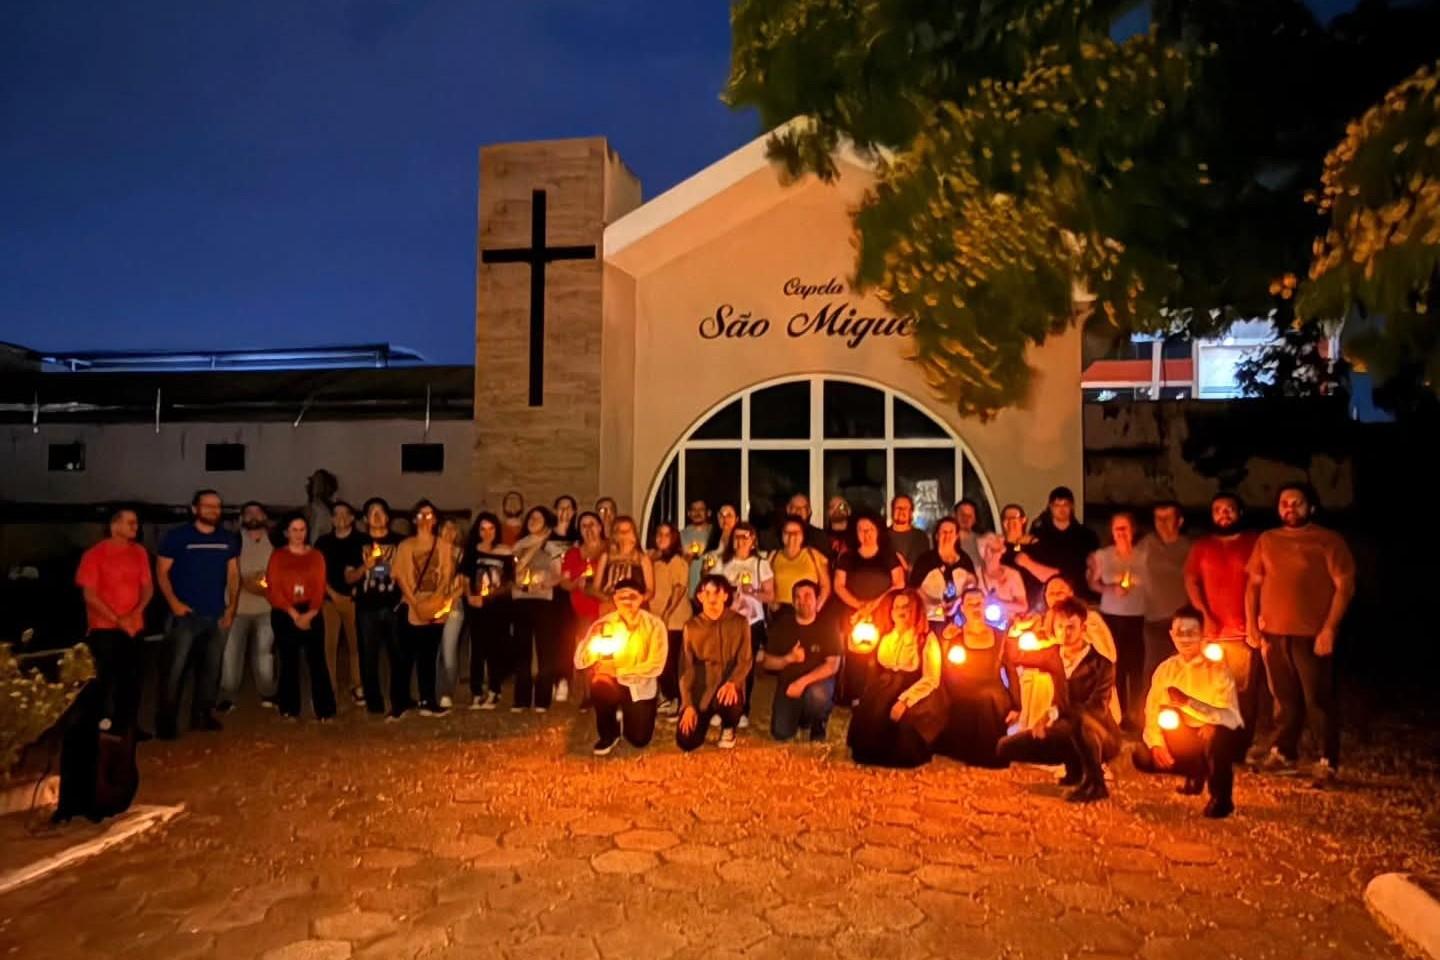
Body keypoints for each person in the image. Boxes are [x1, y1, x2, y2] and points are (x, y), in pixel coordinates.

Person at [1246, 484, 1355, 786]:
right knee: (1283, 699)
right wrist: (1252, 626)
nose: (1290, 509)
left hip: (1311, 635)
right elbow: (1253, 585)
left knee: (1317, 700)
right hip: (1274, 633)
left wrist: (1329, 628)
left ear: (1311, 507)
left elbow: (1344, 586)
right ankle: (1283, 752)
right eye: (1284, 503)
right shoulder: (1268, 540)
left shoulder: (1327, 540)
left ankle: (1327, 761)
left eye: (1297, 503)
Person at [997, 597, 1121, 802]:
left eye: (1071, 626)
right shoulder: (1052, 654)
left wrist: (1050, 714)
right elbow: (1015, 657)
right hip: (1064, 730)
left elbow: (1096, 708)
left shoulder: (1103, 665)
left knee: (1082, 720)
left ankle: (1095, 783)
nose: (1065, 632)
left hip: (1100, 735)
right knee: (1005, 746)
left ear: (1083, 628)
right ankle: (1074, 767)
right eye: (1060, 626)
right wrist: (1016, 630)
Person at [1132, 606, 1244, 818]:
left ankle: (1221, 798)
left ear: (1202, 635)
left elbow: (1229, 714)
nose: (1185, 638)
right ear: (1172, 635)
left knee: (1218, 737)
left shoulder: (1218, 670)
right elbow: (1152, 709)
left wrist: (1200, 714)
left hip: (1212, 732)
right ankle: (1195, 771)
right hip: (1183, 732)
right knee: (1143, 755)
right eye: (1180, 632)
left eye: (1191, 633)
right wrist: (1157, 744)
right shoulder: (1166, 669)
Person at [155, 489, 239, 739]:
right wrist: (173, 603)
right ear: (195, 509)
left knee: (211, 671)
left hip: (216, 615)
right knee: (174, 671)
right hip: (185, 615)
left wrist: (232, 607)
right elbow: (161, 572)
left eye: (218, 506)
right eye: (208, 505)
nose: (214, 510)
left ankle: (201, 716)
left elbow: (234, 575)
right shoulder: (178, 537)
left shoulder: (227, 539)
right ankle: (166, 722)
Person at [1184, 493, 1264, 756]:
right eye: (1218, 509)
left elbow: (1263, 581)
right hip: (1213, 633)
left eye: (1229, 509)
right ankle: (1213, 743)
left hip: (1243, 633)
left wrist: (1258, 619)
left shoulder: (1255, 542)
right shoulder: (1202, 547)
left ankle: (1241, 744)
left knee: (1242, 693)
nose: (1224, 514)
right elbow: (1191, 581)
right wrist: (1204, 615)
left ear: (1239, 512)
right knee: (1211, 689)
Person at [74, 507, 152, 738]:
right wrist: (118, 619)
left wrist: (137, 611)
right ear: (114, 525)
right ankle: (97, 727)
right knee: (104, 680)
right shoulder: (94, 555)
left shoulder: (139, 552)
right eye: (130, 522)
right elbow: (90, 595)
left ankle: (127, 726)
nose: (135, 527)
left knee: (132, 679)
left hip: (134, 627)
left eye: (136, 523)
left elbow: (147, 587)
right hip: (104, 629)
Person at [847, 589, 947, 768]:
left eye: (906, 607)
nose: (900, 611)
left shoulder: (925, 639)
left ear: (915, 610)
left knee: (902, 726)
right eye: (896, 607)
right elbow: (859, 648)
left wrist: (904, 701)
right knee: (873, 716)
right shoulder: (885, 635)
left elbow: (931, 678)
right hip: (885, 686)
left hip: (915, 690)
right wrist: (856, 627)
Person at [575, 578, 668, 755]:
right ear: (615, 599)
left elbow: (656, 666)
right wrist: (589, 641)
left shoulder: (655, 625)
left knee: (639, 740)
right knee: (599, 683)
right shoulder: (604, 624)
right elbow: (580, 662)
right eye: (621, 597)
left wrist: (619, 670)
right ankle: (609, 732)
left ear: (642, 598)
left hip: (639, 686)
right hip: (611, 683)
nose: (627, 602)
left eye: (632, 597)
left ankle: (631, 714)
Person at [933, 588, 1020, 766]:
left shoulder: (1000, 636)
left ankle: (991, 754)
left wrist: (1017, 705)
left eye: (979, 603)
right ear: (962, 608)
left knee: (990, 696)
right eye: (970, 604)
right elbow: (944, 669)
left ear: (986, 605)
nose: (975, 607)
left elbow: (1011, 671)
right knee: (982, 697)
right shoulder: (955, 636)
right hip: (964, 690)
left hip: (994, 691)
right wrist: (946, 642)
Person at [391, 501, 458, 719]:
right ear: (414, 519)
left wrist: (435, 601)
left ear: (435, 520)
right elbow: (400, 575)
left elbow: (447, 575)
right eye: (421, 515)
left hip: (434, 607)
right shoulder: (406, 546)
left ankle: (427, 700)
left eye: (430, 515)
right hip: (410, 607)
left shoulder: (443, 547)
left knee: (428, 657)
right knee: (404, 658)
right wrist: (415, 602)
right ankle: (400, 703)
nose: (425, 519)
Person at [265, 514, 335, 721]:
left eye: (302, 529)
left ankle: (324, 709)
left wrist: (311, 613)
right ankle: (289, 707)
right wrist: (294, 615)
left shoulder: (316, 556)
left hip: (311, 610)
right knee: (288, 661)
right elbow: (274, 588)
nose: (298, 534)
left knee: (317, 660)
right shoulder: (278, 556)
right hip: (285, 612)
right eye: (294, 530)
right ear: (286, 532)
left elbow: (320, 587)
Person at [832, 512, 906, 703]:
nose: (866, 534)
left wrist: (876, 603)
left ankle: (880, 696)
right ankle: (855, 696)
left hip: (883, 613)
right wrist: (859, 606)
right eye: (861, 530)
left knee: (882, 655)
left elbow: (899, 583)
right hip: (854, 612)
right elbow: (838, 585)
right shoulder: (847, 557)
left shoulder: (888, 556)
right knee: (856, 656)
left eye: (870, 529)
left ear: (878, 531)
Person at [757, 580, 841, 741]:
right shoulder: (783, 624)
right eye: (797, 597)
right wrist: (787, 659)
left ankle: (818, 722)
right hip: (789, 683)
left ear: (817, 599)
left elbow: (832, 665)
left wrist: (802, 683)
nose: (802, 601)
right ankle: (802, 718)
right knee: (780, 733)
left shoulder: (828, 625)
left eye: (808, 596)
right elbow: (767, 662)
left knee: (818, 695)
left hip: (817, 682)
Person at [677, 575, 753, 751]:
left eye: (717, 592)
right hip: (703, 690)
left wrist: (733, 682)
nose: (712, 598)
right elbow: (685, 668)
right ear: (700, 597)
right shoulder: (691, 627)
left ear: (726, 596)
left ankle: (728, 726)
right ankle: (708, 713)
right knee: (686, 740)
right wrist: (687, 704)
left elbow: (745, 659)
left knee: (729, 700)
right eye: (707, 593)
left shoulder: (740, 622)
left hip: (728, 685)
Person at [1088, 511, 1146, 724]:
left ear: (1133, 530)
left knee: (1136, 668)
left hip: (1138, 617)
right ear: (1111, 532)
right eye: (1117, 528)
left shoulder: (1143, 555)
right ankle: (1119, 715)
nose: (1121, 533)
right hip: (1112, 617)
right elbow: (1093, 583)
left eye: (1125, 528)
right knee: (1117, 666)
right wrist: (1110, 588)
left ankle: (1137, 714)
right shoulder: (1103, 556)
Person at [218, 500, 274, 713]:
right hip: (236, 609)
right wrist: (247, 582)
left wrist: (260, 584)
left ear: (265, 517)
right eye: (248, 513)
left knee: (264, 656)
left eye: (257, 512)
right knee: (231, 656)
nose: (253, 516)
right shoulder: (232, 541)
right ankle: (227, 696)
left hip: (266, 609)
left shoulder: (275, 541)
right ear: (241, 518)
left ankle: (268, 693)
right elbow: (230, 574)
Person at [510, 506, 567, 712]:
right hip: (521, 599)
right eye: (531, 517)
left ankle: (542, 698)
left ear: (546, 521)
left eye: (538, 517)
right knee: (522, 650)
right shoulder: (520, 544)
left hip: (543, 600)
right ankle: (522, 699)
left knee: (545, 649)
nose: (534, 520)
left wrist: (547, 583)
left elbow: (559, 573)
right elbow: (513, 569)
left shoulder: (551, 545)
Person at [718, 522, 774, 723]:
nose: (741, 540)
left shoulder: (761, 564)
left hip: (752, 621)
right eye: (737, 536)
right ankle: (723, 704)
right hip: (728, 620)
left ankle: (742, 709)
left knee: (745, 665)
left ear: (753, 541)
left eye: (745, 536)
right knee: (726, 663)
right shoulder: (725, 565)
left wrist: (753, 592)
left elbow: (770, 595)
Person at [1137, 501, 1193, 702]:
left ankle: (1185, 720)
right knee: (1153, 671)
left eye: (1167, 518)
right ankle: (1148, 719)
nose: (1162, 522)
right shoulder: (1146, 545)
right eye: (1158, 518)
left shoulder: (1189, 548)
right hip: (1154, 621)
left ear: (1180, 520)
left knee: (1184, 672)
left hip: (1184, 622)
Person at [352, 498, 403, 716]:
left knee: (398, 655)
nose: (377, 515)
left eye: (381, 511)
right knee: (368, 656)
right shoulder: (356, 543)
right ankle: (374, 702)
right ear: (365, 519)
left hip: (394, 605)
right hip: (367, 607)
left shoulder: (400, 543)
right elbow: (349, 576)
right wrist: (366, 566)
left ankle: (399, 700)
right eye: (371, 512)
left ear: (388, 517)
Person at [460, 512, 514, 710]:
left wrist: (490, 596)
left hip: (497, 606)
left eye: (491, 528)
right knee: (477, 649)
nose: (487, 533)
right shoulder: (472, 551)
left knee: (495, 649)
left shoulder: (505, 551)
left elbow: (510, 582)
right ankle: (476, 692)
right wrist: (469, 596)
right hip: (476, 606)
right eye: (483, 529)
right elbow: (465, 578)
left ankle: (494, 690)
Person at [315, 501, 364, 705]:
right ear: (332, 519)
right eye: (337, 514)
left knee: (356, 645)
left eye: (346, 513)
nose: (341, 517)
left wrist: (356, 589)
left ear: (352, 517)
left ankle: (358, 685)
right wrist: (331, 593)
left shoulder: (363, 540)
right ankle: (330, 687)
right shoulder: (323, 542)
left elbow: (369, 568)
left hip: (354, 600)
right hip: (329, 600)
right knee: (329, 645)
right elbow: (317, 571)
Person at [647, 522, 693, 717]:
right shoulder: (653, 561)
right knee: (661, 661)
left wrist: (667, 612)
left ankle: (677, 699)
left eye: (667, 534)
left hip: (675, 620)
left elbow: (679, 588)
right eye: (659, 533)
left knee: (672, 662)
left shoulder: (677, 561)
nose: (662, 538)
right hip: (656, 619)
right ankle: (667, 696)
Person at [1027, 486, 1101, 602]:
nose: (1061, 509)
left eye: (1065, 505)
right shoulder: (1039, 535)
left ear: (1071, 507)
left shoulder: (1086, 536)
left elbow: (1094, 567)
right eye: (1057, 505)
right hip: (1047, 595)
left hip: (1079, 595)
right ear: (1050, 507)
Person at [910, 517, 976, 629]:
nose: (947, 535)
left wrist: (957, 603)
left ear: (956, 536)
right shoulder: (925, 560)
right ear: (937, 536)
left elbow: (972, 586)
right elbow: (914, 589)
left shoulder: (965, 560)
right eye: (944, 532)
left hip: (960, 620)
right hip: (931, 619)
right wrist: (935, 604)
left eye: (951, 532)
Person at [435, 518, 467, 708]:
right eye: (445, 528)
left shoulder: (461, 555)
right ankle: (434, 690)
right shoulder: (430, 552)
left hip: (453, 606)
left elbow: (461, 584)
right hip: (431, 606)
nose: (449, 533)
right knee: (433, 651)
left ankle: (447, 691)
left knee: (448, 650)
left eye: (453, 529)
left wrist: (449, 603)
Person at [769, 516, 832, 611]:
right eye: (787, 532)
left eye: (796, 533)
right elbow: (764, 584)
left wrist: (817, 607)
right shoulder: (773, 555)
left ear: (803, 535)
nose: (791, 536)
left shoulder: (813, 555)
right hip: (780, 612)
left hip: (807, 610)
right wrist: (772, 604)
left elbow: (825, 586)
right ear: (781, 535)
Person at [595, 515, 655, 609]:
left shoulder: (642, 558)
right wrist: (608, 599)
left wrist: (639, 599)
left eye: (628, 531)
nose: (624, 535)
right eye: (621, 531)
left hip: (635, 608)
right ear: (615, 534)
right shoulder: (606, 556)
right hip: (610, 607)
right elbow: (596, 588)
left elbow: (650, 590)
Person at [999, 503, 1048, 608]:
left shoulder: (1037, 545)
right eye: (1007, 519)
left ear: (1023, 520)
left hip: (1035, 603)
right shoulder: (997, 547)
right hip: (1009, 605)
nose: (1011, 522)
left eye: (1014, 518)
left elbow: (1048, 575)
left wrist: (1027, 563)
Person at [973, 533, 1028, 625]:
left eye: (995, 550)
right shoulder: (975, 575)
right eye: (989, 550)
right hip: (983, 625)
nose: (992, 554)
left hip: (1010, 625)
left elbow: (1023, 606)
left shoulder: (1012, 575)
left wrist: (999, 604)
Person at [888, 495, 931, 573]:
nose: (901, 511)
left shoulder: (920, 537)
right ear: (892, 510)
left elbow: (925, 566)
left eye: (905, 508)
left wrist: (907, 567)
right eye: (898, 508)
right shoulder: (882, 535)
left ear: (911, 512)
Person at [679, 499, 713, 594]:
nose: (697, 513)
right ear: (688, 513)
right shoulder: (682, 535)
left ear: (708, 513)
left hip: (711, 591)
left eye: (701, 509)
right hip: (689, 592)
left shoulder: (715, 534)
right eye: (694, 509)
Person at [303, 469, 339, 541]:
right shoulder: (311, 507)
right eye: (315, 482)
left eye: (320, 483)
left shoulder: (327, 509)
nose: (317, 486)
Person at [953, 498, 984, 570]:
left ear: (975, 519)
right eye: (962, 515)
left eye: (969, 516)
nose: (965, 518)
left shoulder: (981, 541)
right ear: (954, 516)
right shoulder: (946, 539)